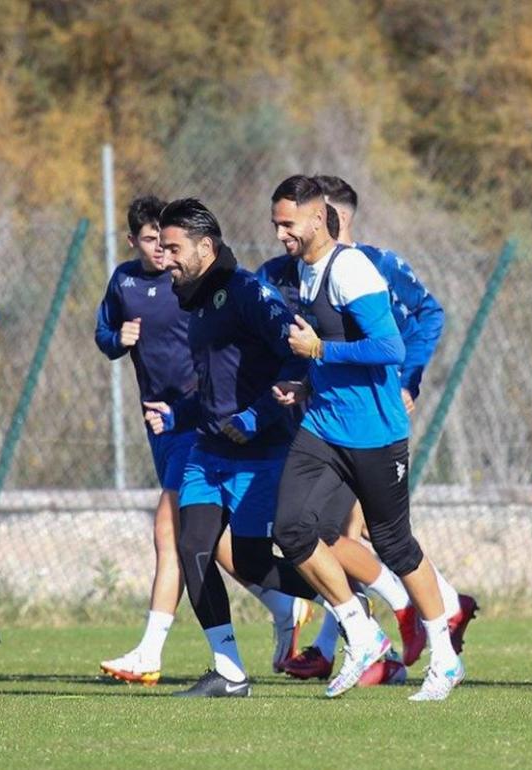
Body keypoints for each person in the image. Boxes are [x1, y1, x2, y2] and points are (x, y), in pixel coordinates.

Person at [258, 175, 475, 683]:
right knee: (292, 528)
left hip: (375, 432)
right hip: (323, 427)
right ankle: (361, 633)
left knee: (395, 544)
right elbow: (329, 347)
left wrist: (319, 352)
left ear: (318, 218)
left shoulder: (350, 268)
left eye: (287, 224)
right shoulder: (304, 270)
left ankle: (444, 656)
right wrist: (308, 384)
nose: (279, 235)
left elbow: (388, 348)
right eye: (275, 225)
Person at [94, 196, 310, 685]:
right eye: (157, 246)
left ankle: (345, 601)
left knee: (253, 557)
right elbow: (209, 383)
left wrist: (256, 417)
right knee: (194, 547)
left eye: (172, 248)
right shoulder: (186, 297)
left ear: (205, 247)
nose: (164, 258)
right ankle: (230, 670)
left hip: (259, 450)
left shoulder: (247, 292)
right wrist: (178, 413)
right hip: (205, 445)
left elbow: (296, 357)